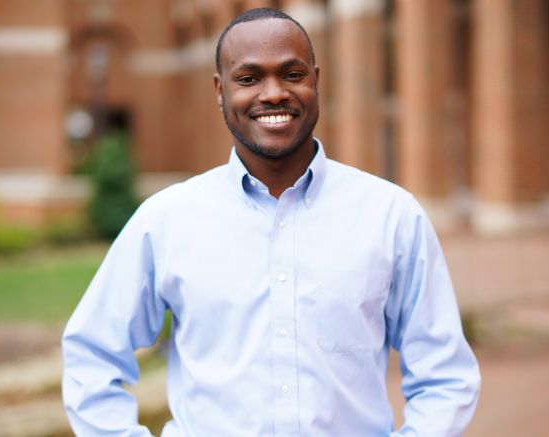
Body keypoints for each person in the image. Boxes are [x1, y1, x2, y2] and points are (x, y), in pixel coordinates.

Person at [62, 7, 480, 437]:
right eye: (248, 79)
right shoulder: (167, 220)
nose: (274, 93)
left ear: (316, 79)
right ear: (220, 90)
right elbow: (92, 354)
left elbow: (444, 374)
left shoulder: (391, 215)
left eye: (292, 74)